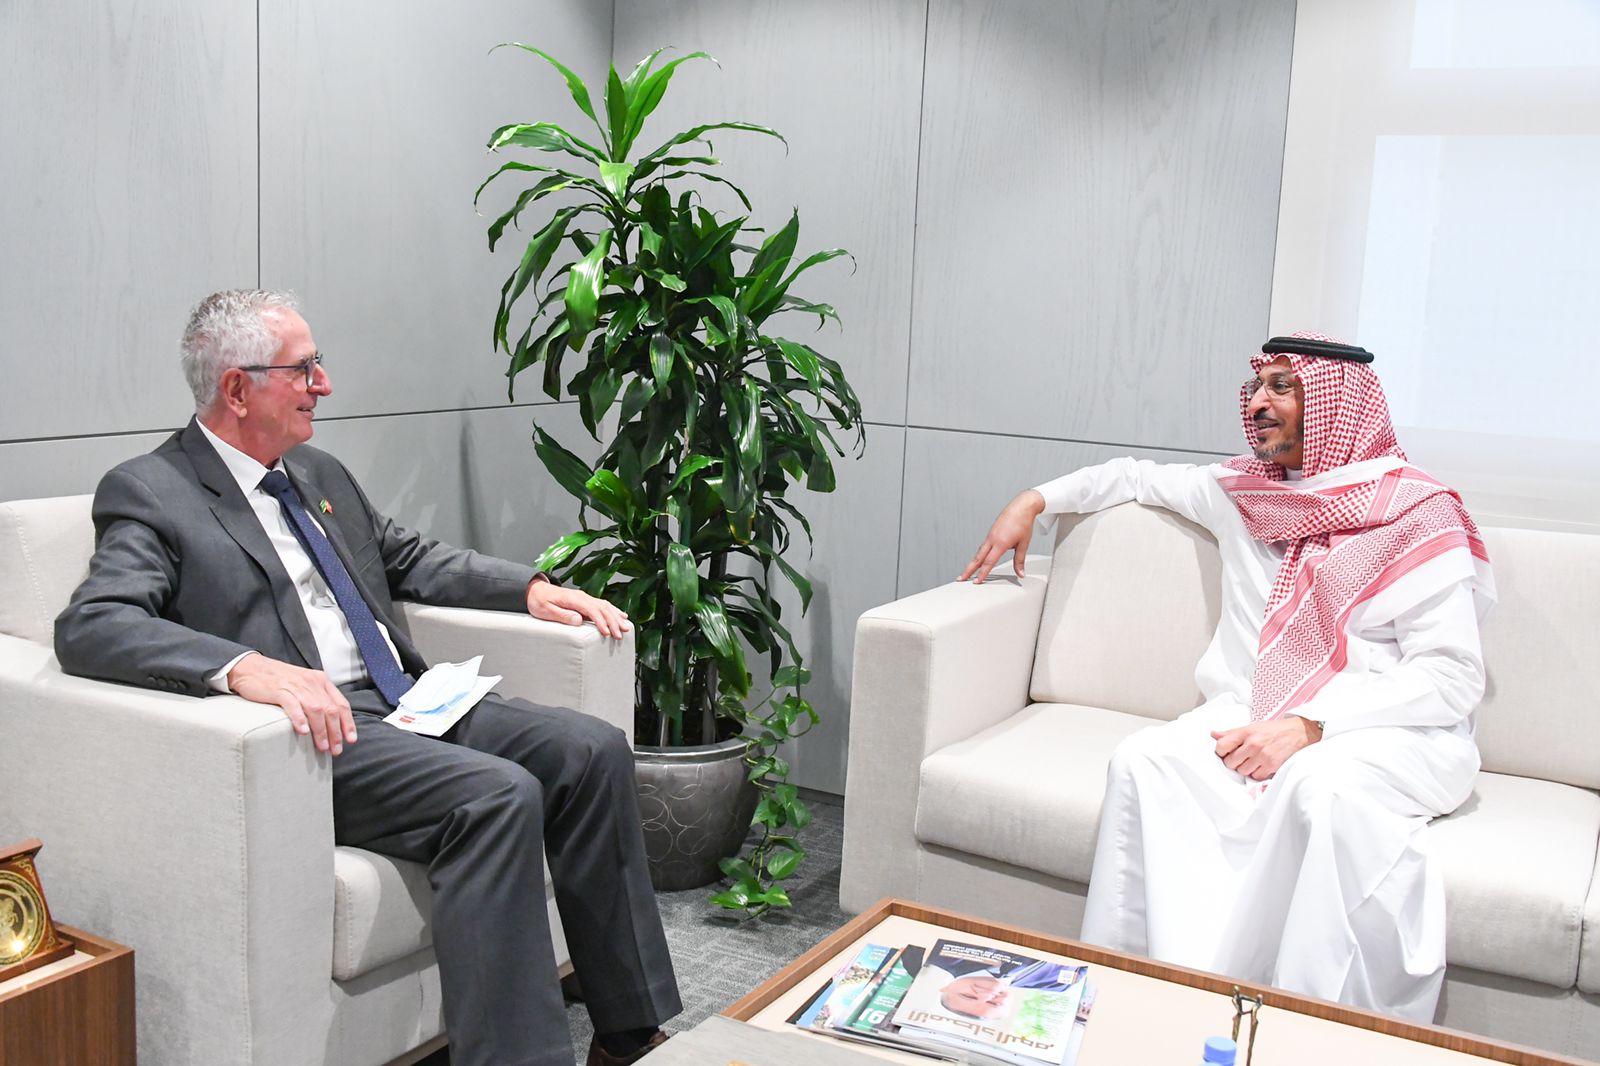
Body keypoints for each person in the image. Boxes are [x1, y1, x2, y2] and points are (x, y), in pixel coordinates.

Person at [54, 289, 680, 1066]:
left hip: (407, 698)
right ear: (238, 389)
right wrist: (242, 668)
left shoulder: (316, 470)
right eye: (304, 369)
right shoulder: (153, 490)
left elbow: (406, 557)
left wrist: (526, 588)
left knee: (592, 751)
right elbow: (95, 623)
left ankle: (629, 1035)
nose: (323, 384)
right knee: (497, 795)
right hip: (316, 733)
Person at [959, 332, 1493, 1022]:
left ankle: (1298, 1025)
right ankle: (1137, 999)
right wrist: (1032, 500)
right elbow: (1131, 476)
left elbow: (1451, 677)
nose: (1257, 403)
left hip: (1389, 731)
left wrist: (1312, 726)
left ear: (1337, 404)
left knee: (1317, 788)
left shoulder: (1418, 512)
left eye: (1282, 387)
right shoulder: (1244, 494)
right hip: (1254, 710)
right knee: (1146, 760)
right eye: (1256, 386)